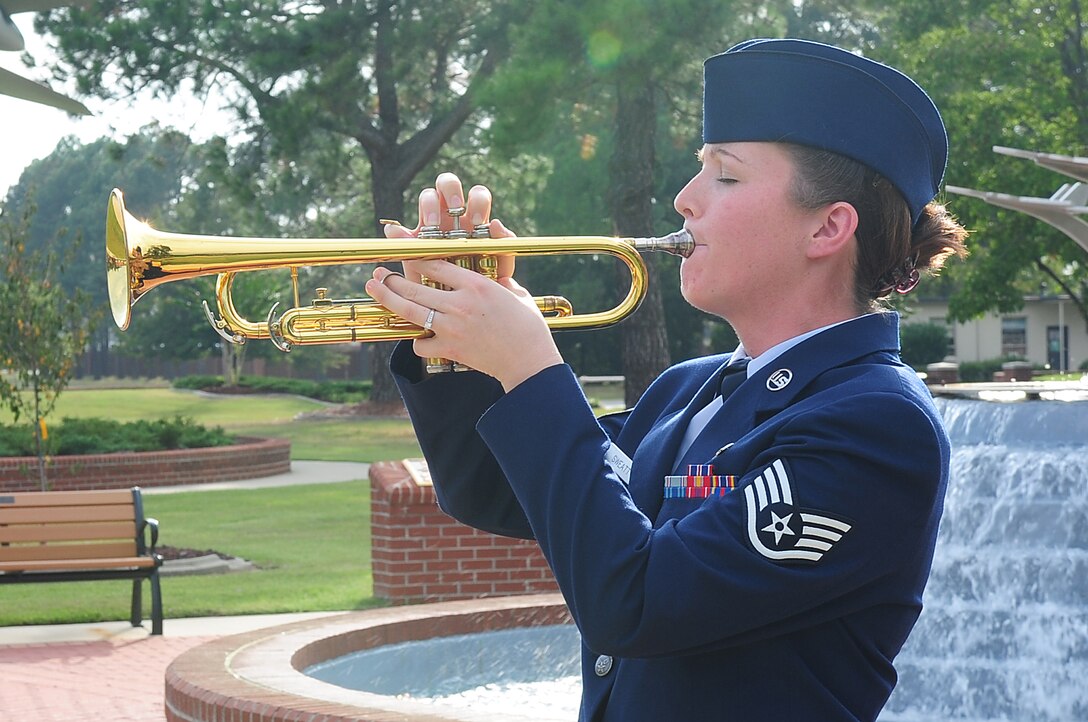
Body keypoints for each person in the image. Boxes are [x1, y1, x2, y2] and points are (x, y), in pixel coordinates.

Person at [364, 38, 968, 722]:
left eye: (725, 176)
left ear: (828, 227)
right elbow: (494, 493)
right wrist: (453, 346)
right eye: (696, 171)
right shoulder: (692, 389)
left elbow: (639, 600)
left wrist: (532, 367)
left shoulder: (875, 424)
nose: (684, 200)